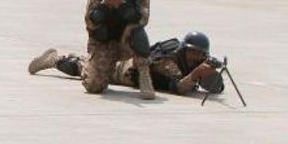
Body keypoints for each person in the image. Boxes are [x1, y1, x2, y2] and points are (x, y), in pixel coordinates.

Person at [29, 0, 156, 99]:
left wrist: (122, 6)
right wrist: (105, 4)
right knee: (94, 86)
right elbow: (91, 22)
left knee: (137, 31)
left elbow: (143, 19)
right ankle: (55, 60)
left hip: (126, 41)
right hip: (104, 41)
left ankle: (145, 76)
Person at [29, 31, 224, 96]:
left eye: (200, 54)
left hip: (129, 69)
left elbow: (217, 88)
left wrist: (210, 72)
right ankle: (54, 59)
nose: (195, 57)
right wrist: (196, 74)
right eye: (192, 52)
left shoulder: (193, 63)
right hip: (122, 71)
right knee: (82, 69)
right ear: (183, 51)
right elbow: (178, 88)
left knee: (85, 62)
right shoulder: (168, 62)